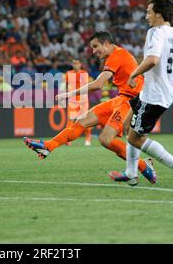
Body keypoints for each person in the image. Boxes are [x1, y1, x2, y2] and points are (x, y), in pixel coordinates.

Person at [24, 31, 157, 184]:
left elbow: (98, 85)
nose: (93, 51)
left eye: (96, 46)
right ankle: (48, 146)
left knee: (106, 139)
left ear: (106, 44)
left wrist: (69, 94)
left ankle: (143, 165)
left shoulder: (117, 55)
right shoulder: (114, 56)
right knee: (81, 121)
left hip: (130, 103)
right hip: (120, 99)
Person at [109, 0, 173, 189]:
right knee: (127, 125)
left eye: (148, 12)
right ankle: (131, 174)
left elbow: (153, 60)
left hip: (154, 96)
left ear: (158, 14)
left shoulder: (155, 32)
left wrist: (133, 74)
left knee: (134, 137)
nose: (146, 16)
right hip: (156, 93)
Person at [64, 59, 92, 146]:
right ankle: (68, 140)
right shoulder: (68, 74)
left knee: (85, 120)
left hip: (83, 101)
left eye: (77, 63)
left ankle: (87, 138)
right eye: (74, 63)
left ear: (80, 64)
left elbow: (86, 87)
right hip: (72, 101)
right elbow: (67, 86)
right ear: (72, 65)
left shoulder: (84, 74)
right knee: (70, 121)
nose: (75, 65)